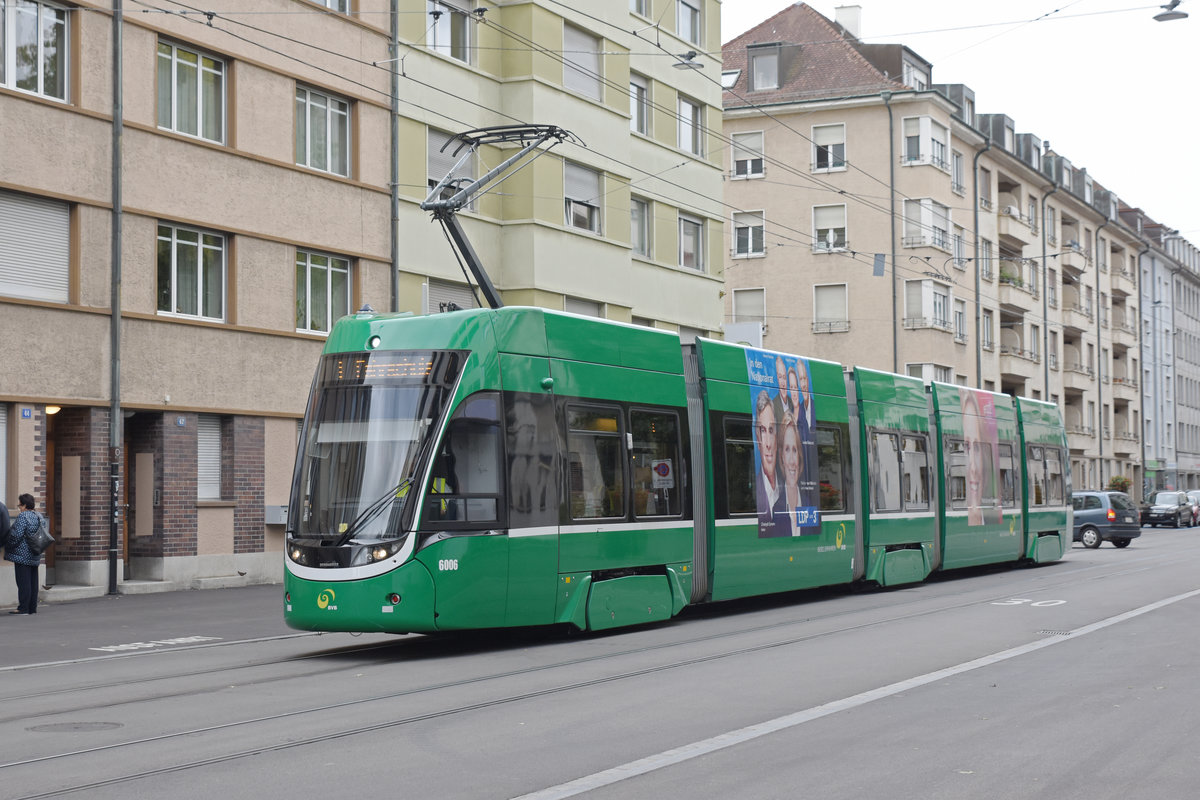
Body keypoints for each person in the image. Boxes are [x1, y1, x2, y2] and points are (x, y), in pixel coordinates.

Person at [754, 390, 786, 535]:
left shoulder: (788, 487)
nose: (767, 443)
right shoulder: (754, 491)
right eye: (763, 431)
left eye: (771, 430)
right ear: (757, 440)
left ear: (777, 436)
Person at [5, 494, 42, 615]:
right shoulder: (39, 516)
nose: (19, 507)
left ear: (25, 505)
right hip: (35, 553)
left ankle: (23, 608)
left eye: (20, 505)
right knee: (33, 581)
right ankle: (32, 607)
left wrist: (8, 545)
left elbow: (16, 535)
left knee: (23, 582)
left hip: (22, 555)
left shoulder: (23, 516)